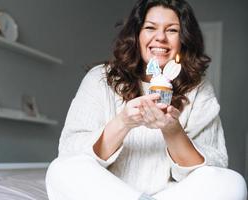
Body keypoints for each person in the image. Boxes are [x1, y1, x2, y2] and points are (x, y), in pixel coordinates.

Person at [46, 0, 247, 199]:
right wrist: (123, 122)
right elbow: (70, 149)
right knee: (59, 170)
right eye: (150, 27)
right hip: (110, 193)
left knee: (232, 183)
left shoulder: (199, 89)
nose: (160, 37)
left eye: (172, 30)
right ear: (137, 35)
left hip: (172, 194)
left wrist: (172, 129)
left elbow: (214, 165)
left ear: (183, 39)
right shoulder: (100, 78)